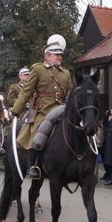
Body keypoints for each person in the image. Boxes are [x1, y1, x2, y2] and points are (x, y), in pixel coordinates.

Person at [9, 34, 72, 180]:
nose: (60, 57)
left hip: (61, 109)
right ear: (48, 56)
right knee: (39, 130)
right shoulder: (38, 69)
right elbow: (26, 92)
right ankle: (33, 165)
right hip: (43, 110)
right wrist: (15, 110)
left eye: (61, 55)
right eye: (57, 55)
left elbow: (69, 92)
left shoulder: (66, 73)